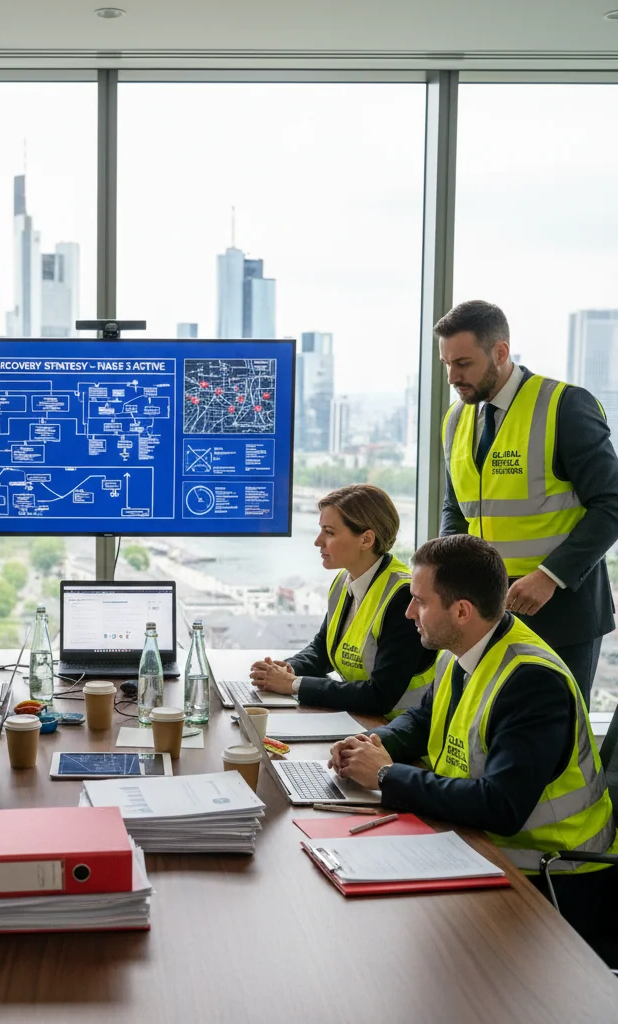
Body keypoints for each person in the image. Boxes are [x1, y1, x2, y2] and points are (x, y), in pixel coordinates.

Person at [330, 534, 617, 948]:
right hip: (478, 846)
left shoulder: (532, 681)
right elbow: (422, 720)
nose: (410, 611)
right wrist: (370, 742)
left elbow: (501, 807)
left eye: (421, 602)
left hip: (551, 876)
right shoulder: (461, 647)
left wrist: (386, 775)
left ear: (462, 610)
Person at [436, 299, 618, 704]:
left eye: (463, 363)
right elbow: (457, 509)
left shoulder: (565, 406)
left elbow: (611, 503)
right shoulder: (455, 419)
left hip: (559, 610)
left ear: (500, 352)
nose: (453, 376)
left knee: (555, 742)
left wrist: (549, 576)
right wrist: (447, 573)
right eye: (447, 363)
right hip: (485, 609)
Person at [249, 484, 436, 717]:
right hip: (361, 723)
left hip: (400, 735)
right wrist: (287, 668)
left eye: (329, 532)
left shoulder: (404, 597)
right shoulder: (344, 580)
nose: (318, 541)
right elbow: (323, 650)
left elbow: (379, 695)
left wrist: (294, 684)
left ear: (366, 539)